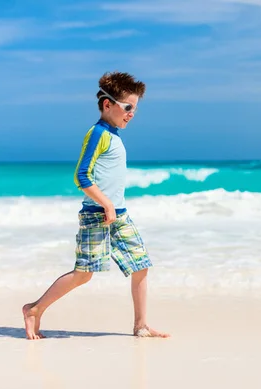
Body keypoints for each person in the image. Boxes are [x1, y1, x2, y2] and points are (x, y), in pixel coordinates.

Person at [22, 71, 169, 340]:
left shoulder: (114, 135)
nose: (132, 114)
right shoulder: (97, 134)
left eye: (135, 109)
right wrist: (106, 205)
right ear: (107, 104)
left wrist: (115, 208)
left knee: (141, 266)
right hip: (96, 216)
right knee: (83, 274)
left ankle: (141, 326)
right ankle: (34, 309)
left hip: (120, 216)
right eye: (128, 107)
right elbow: (82, 176)